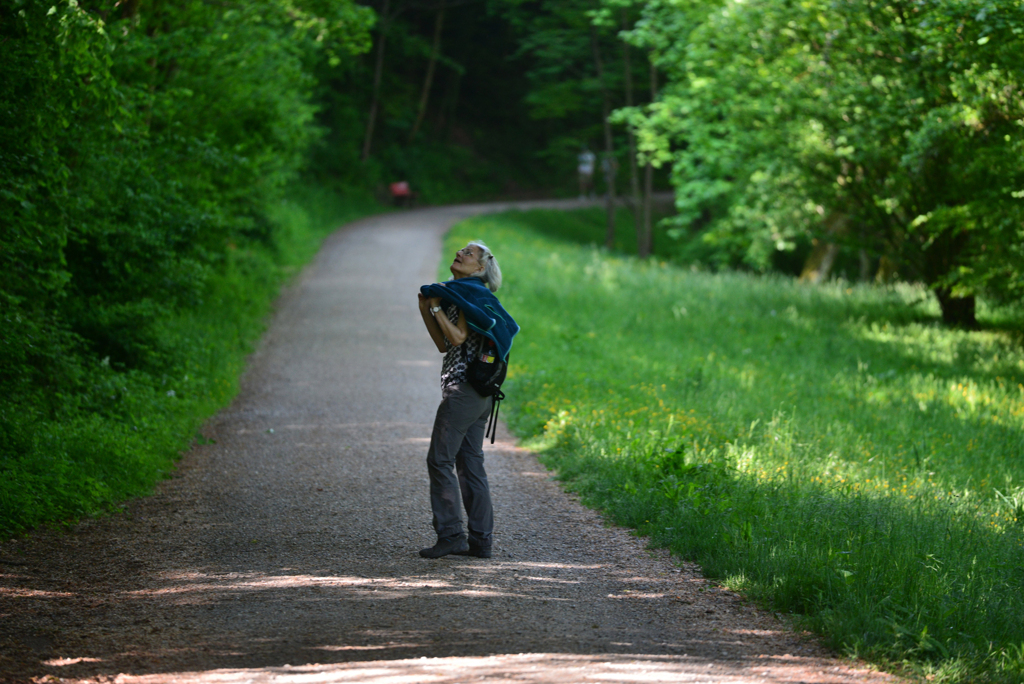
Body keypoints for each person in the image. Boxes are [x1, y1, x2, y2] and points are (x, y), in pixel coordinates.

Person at [417, 242, 518, 559]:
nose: (460, 253)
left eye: (469, 253)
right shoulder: (460, 295)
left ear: (479, 268)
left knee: (440, 460)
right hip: (478, 396)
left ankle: (450, 535)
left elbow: (458, 337)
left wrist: (436, 306)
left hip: (463, 392)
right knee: (470, 463)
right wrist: (428, 307)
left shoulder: (465, 294)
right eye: (461, 249)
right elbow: (444, 344)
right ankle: (480, 541)